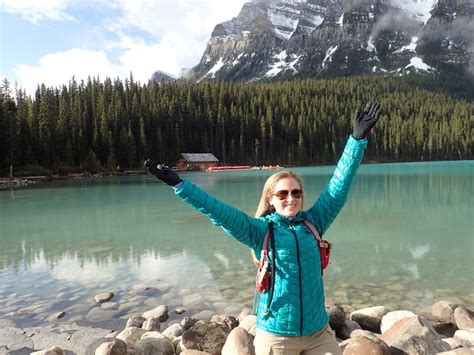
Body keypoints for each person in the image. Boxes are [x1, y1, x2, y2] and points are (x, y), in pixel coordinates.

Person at [145, 102, 381, 355]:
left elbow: (339, 186)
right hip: (277, 335)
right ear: (270, 199)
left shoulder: (314, 223)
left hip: (318, 334)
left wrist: (356, 141)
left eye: (296, 192)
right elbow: (219, 211)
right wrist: (180, 186)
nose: (290, 198)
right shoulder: (260, 231)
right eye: (282, 193)